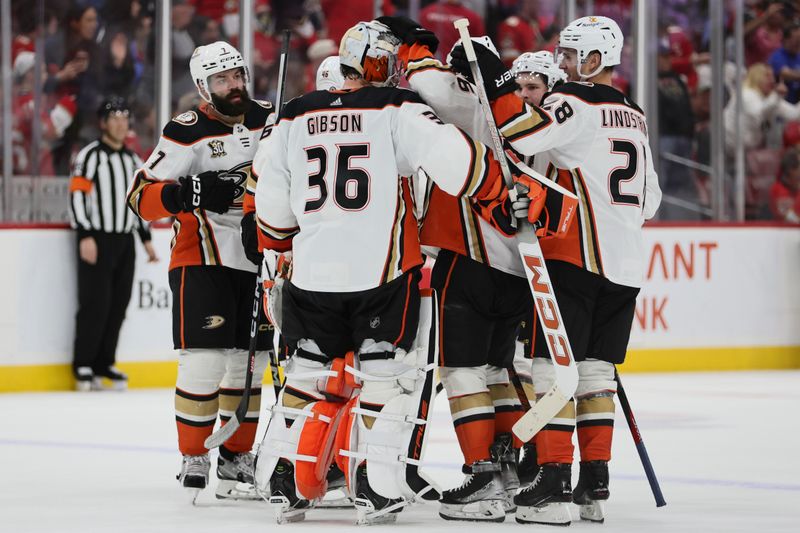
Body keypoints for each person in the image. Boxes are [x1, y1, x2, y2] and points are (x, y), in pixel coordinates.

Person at [252, 20, 512, 525]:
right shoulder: (397, 108)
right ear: (375, 63)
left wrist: (284, 244)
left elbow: (270, 202)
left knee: (308, 377)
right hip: (381, 275)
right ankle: (375, 486)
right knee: (384, 381)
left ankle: (283, 477)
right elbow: (457, 164)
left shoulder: (292, 116)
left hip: (312, 276)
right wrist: (499, 192)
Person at [449, 15, 661, 525]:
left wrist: (497, 81)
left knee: (552, 369)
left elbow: (519, 134)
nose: (561, 64)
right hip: (627, 266)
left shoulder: (576, 101)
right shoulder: (633, 112)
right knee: (595, 373)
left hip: (577, 260)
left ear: (593, 60)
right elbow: (650, 200)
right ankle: (595, 481)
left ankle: (553, 484)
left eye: (569, 55)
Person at [376, 16, 575, 521]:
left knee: (462, 370)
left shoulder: (465, 102)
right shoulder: (542, 130)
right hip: (519, 268)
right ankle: (512, 469)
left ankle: (483, 476)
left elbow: (424, 78)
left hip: (467, 260)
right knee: (499, 370)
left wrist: (416, 45)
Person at [126, 41, 274, 501]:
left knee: (249, 365)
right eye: (222, 79)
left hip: (260, 256)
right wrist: (186, 193)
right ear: (202, 87)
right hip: (201, 256)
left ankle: (235, 458)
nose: (234, 86)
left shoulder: (272, 118)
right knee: (205, 361)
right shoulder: (185, 130)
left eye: (238, 75)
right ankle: (194, 455)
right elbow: (139, 198)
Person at [70, 97, 158, 392]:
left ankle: (104, 362)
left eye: (125, 118)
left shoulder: (133, 161)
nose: (121, 124)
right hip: (97, 237)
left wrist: (145, 239)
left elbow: (138, 204)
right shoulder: (90, 156)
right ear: (103, 123)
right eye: (114, 118)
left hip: (124, 240)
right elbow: (78, 195)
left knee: (118, 304)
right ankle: (83, 363)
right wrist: (84, 235)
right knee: (95, 303)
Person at [770, 148, 800, 221]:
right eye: (798, 167)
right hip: (784, 230)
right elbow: (789, 218)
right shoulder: (777, 189)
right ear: (790, 170)